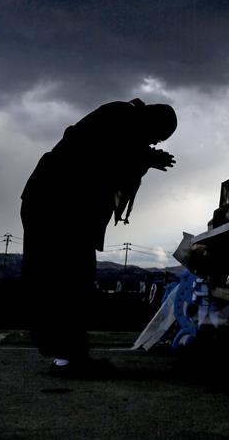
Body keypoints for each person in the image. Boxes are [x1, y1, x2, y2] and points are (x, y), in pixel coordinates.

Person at [20, 99, 177, 377]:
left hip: (57, 205)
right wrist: (146, 158)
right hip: (57, 206)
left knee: (66, 281)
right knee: (67, 281)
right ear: (150, 122)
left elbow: (113, 155)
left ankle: (67, 356)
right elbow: (102, 155)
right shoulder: (118, 115)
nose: (153, 142)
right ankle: (67, 358)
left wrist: (146, 158)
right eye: (155, 136)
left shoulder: (122, 124)